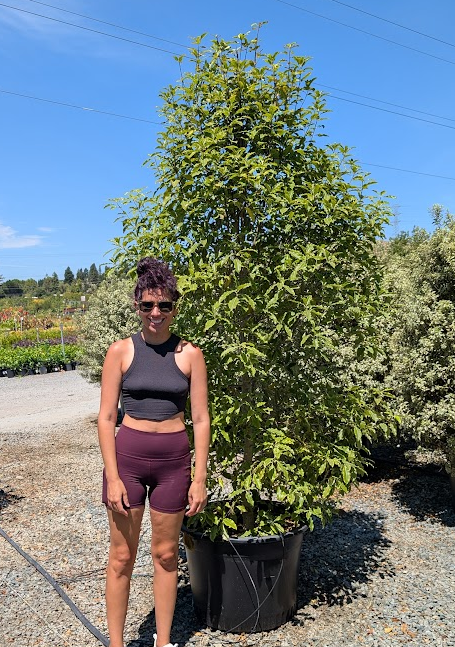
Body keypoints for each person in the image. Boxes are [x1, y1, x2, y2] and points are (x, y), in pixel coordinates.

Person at [97, 257, 210, 647]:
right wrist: (112, 477)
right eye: (147, 305)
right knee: (121, 557)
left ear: (175, 307)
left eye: (164, 305)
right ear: (137, 306)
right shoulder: (120, 352)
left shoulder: (191, 354)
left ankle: (163, 642)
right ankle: (116, 643)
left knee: (165, 556)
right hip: (127, 463)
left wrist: (199, 478)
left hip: (173, 466)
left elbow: (201, 419)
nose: (156, 313)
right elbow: (106, 417)